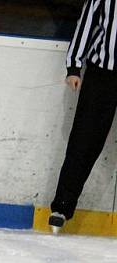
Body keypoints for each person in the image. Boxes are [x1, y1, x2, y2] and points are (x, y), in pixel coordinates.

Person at [49, 0, 117, 233]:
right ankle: (62, 207)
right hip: (102, 77)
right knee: (84, 142)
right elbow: (86, 25)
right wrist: (74, 67)